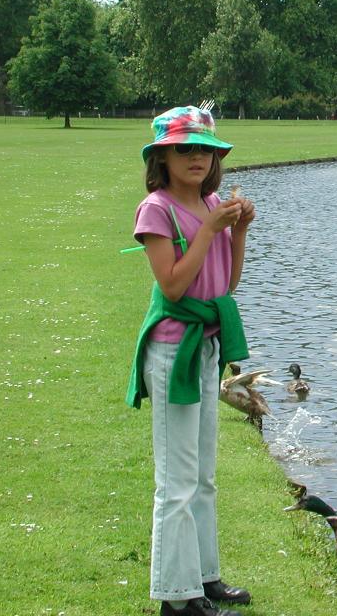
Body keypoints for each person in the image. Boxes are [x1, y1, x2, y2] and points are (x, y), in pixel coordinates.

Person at [126, 105, 256, 616]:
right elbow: (174, 285)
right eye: (186, 148)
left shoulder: (212, 204)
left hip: (204, 346)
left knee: (203, 475)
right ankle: (176, 598)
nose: (197, 157)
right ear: (163, 156)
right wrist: (209, 230)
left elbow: (227, 285)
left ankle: (205, 578)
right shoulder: (155, 209)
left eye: (206, 149)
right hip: (172, 350)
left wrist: (237, 230)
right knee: (175, 482)